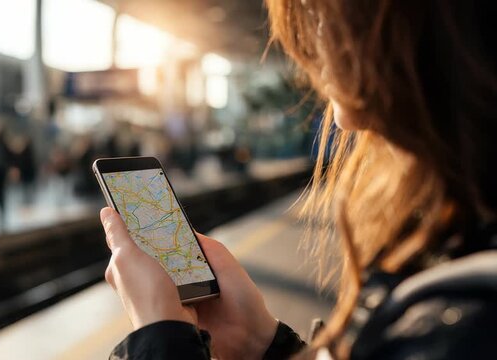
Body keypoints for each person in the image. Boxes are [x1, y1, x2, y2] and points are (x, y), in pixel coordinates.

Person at [99, 0, 497, 359]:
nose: (345, 118)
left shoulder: (466, 322)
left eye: (325, 21)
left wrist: (159, 340)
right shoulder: (464, 260)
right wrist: (262, 343)